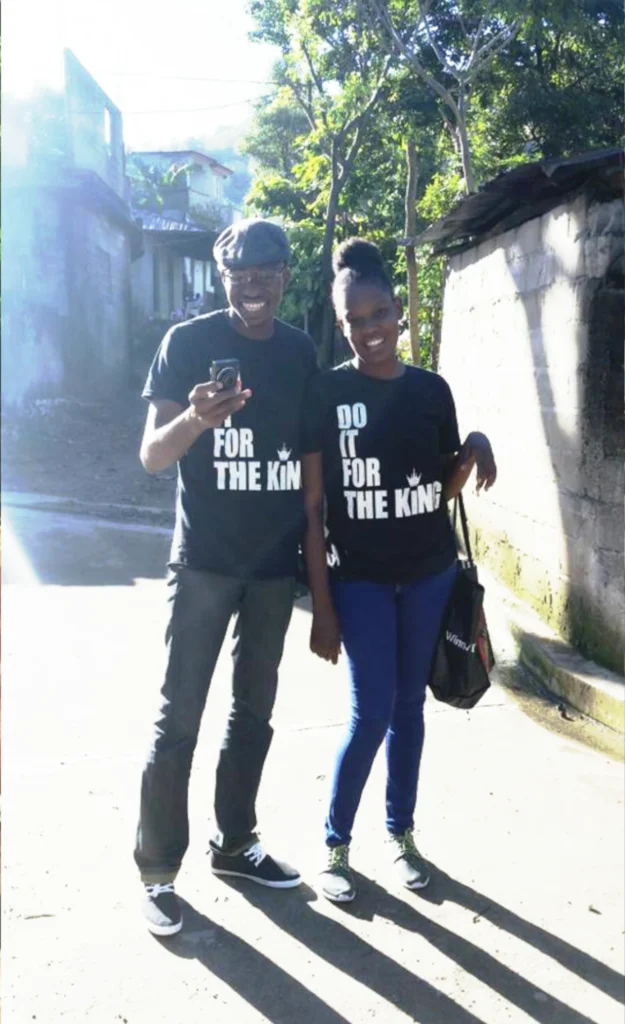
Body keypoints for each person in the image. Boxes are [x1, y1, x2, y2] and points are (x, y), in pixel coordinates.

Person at [136, 218, 318, 936]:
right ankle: (156, 872)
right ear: (222, 276)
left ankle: (235, 844)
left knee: (254, 714)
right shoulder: (187, 345)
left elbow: (312, 459)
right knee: (178, 718)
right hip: (205, 562)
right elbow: (152, 456)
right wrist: (193, 418)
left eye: (266, 271)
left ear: (284, 277)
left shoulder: (301, 351)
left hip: (273, 569)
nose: (253, 283)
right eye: (239, 272)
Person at [302, 239, 497, 903]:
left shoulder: (429, 390)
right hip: (356, 579)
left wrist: (472, 448)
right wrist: (321, 607)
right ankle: (334, 844)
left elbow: (436, 489)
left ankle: (401, 833)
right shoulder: (325, 393)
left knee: (409, 708)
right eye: (355, 320)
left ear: (398, 310)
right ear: (341, 326)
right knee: (370, 712)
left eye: (379, 312)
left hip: (428, 573)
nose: (370, 328)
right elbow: (312, 508)